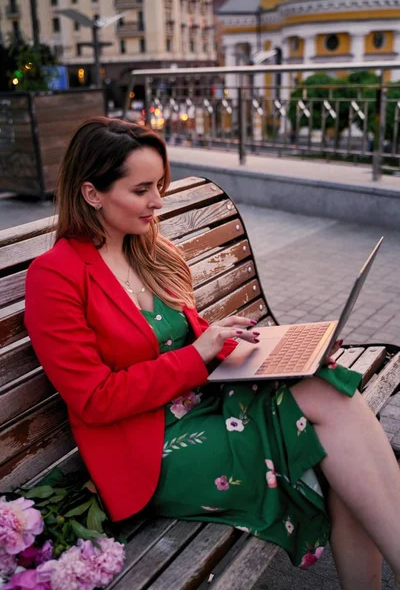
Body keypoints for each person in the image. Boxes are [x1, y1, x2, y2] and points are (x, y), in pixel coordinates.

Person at [25, 117, 400, 590]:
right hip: (150, 450)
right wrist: (199, 354)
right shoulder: (55, 276)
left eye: (159, 185)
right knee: (335, 422)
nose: (158, 202)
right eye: (141, 190)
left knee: (329, 396)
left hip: (211, 407)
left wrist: (284, 357)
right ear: (92, 193)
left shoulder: (151, 251)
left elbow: (200, 347)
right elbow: (95, 399)